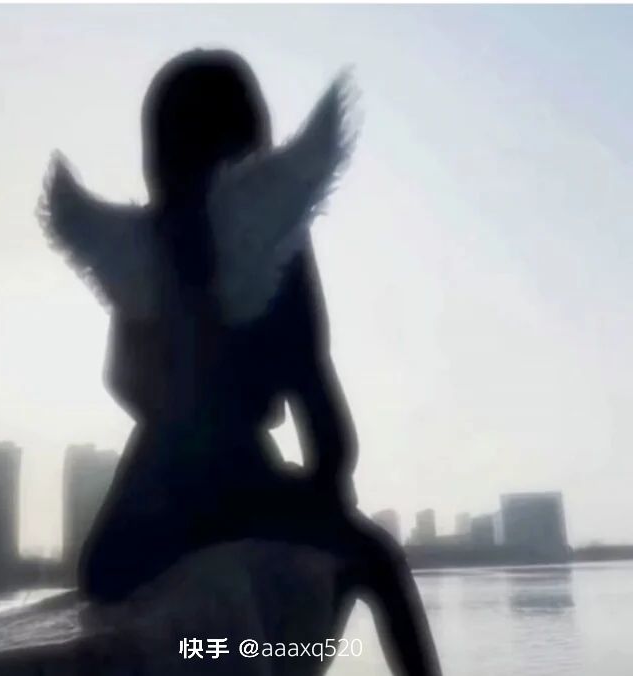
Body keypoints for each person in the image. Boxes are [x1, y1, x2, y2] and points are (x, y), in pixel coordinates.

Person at [39, 48, 442, 675]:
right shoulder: (272, 243)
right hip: (242, 476)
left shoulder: (144, 247)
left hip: (155, 482)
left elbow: (118, 377)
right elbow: (314, 386)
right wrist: (325, 483)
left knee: (105, 569)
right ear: (251, 137)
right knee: (380, 563)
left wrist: (172, 409)